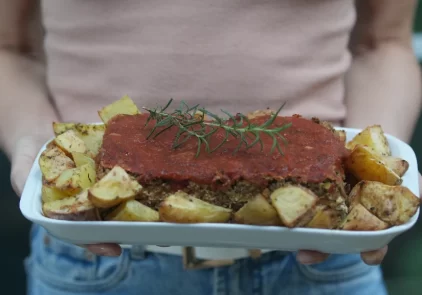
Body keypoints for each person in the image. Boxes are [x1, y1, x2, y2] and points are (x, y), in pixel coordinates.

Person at [1, 0, 421, 294]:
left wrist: (377, 170)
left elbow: (382, 44)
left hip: (323, 265)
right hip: (93, 268)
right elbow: (9, 47)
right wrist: (28, 142)